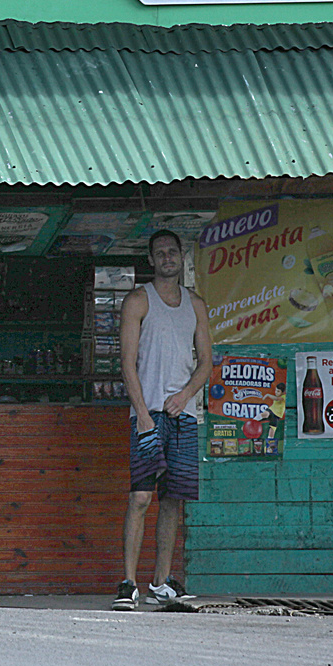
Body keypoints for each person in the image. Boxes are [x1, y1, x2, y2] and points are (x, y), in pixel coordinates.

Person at [113, 229, 212, 610]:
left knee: (174, 499)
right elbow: (126, 363)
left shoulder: (196, 304)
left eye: (172, 251)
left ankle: (161, 582)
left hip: (183, 416)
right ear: (151, 259)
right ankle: (128, 583)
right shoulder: (139, 300)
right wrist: (141, 413)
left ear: (181, 255)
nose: (167, 257)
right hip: (148, 413)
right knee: (140, 497)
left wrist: (185, 396)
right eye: (160, 253)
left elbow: (205, 363)